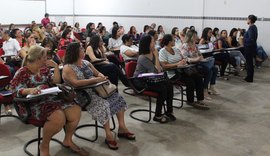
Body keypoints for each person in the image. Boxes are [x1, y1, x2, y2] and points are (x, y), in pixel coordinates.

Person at [10, 45, 88, 156]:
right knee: (58, 117)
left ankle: (68, 140)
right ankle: (44, 145)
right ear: (38, 58)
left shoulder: (43, 69)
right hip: (32, 104)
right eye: (45, 57)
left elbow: (55, 81)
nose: (47, 59)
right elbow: (14, 90)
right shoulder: (22, 72)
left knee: (75, 109)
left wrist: (56, 67)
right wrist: (29, 90)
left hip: (49, 98)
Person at [62, 42, 135, 150]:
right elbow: (75, 83)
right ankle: (108, 134)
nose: (83, 51)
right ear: (75, 52)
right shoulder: (68, 67)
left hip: (98, 89)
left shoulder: (86, 63)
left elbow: (97, 73)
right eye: (81, 49)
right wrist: (94, 80)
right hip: (82, 94)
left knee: (118, 98)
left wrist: (101, 77)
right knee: (103, 104)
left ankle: (122, 128)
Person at [133, 35, 175, 123]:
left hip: (150, 78)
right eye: (152, 42)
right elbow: (157, 71)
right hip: (140, 81)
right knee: (162, 89)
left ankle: (169, 111)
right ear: (147, 44)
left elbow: (158, 71)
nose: (154, 43)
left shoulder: (152, 54)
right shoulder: (142, 57)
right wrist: (156, 55)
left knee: (169, 84)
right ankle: (158, 115)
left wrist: (156, 56)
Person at [159, 34, 208, 109]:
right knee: (190, 81)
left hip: (182, 70)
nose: (175, 41)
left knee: (198, 77)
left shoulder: (176, 49)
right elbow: (164, 66)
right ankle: (190, 101)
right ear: (169, 42)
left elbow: (183, 58)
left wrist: (184, 61)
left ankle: (200, 99)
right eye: (173, 40)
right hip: (172, 73)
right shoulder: (163, 51)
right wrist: (177, 64)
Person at [181, 31, 218, 100]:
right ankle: (204, 89)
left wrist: (203, 59)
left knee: (214, 68)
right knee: (208, 71)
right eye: (195, 36)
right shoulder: (185, 46)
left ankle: (211, 86)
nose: (197, 37)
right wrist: (195, 59)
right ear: (191, 37)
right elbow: (184, 58)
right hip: (191, 65)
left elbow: (200, 54)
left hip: (199, 62)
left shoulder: (194, 45)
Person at [244, 15, 258, 82]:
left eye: (247, 19)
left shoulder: (252, 28)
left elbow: (251, 39)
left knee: (249, 64)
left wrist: (244, 39)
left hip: (249, 48)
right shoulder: (252, 27)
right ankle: (248, 76)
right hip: (250, 47)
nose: (247, 20)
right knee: (249, 63)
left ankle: (249, 78)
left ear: (250, 20)